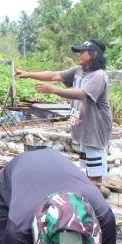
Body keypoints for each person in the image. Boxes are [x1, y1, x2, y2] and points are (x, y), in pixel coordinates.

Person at [16, 38, 112, 184]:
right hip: (85, 132)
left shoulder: (98, 76)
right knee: (87, 170)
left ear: (94, 54)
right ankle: (89, 202)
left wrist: (54, 90)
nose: (78, 54)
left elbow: (82, 94)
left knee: (95, 175)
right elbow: (54, 75)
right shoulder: (79, 71)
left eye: (82, 52)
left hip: (95, 132)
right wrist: (29, 74)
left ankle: (95, 204)